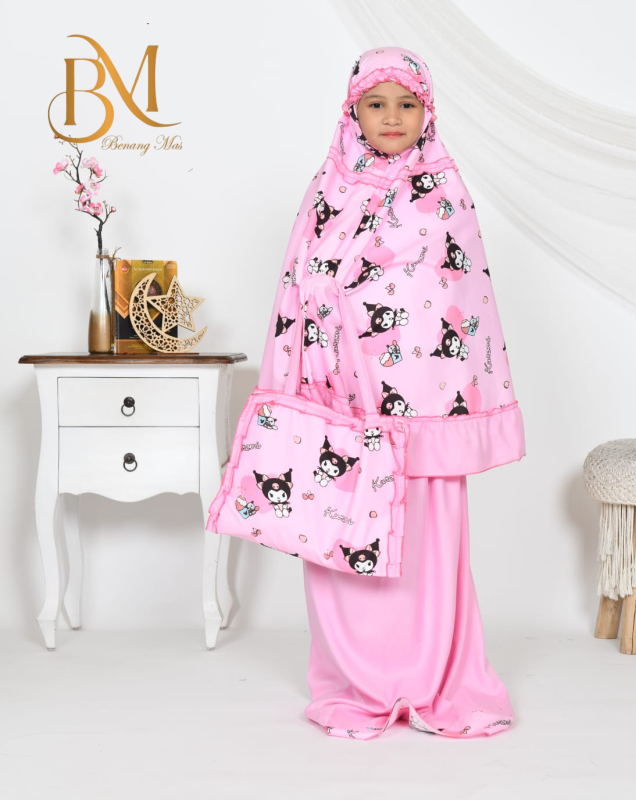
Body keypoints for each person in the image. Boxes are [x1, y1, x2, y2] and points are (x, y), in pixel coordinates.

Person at [256, 46, 526, 739]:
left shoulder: (445, 192)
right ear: (353, 113)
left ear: (426, 112)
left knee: (425, 531)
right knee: (342, 525)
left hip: (422, 400)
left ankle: (434, 679)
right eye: (376, 105)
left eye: (407, 104)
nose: (392, 117)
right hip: (342, 399)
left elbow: (454, 295)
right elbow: (303, 285)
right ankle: (362, 682)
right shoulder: (327, 192)